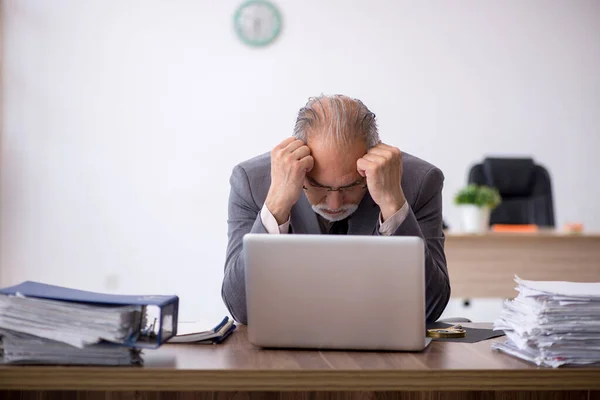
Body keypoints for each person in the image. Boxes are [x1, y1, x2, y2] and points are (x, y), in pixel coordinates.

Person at [222, 94, 450, 324]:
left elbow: (430, 308)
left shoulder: (419, 182)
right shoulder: (251, 182)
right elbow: (240, 307)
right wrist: (277, 204)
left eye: (351, 186)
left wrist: (393, 205)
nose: (334, 204)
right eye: (317, 185)